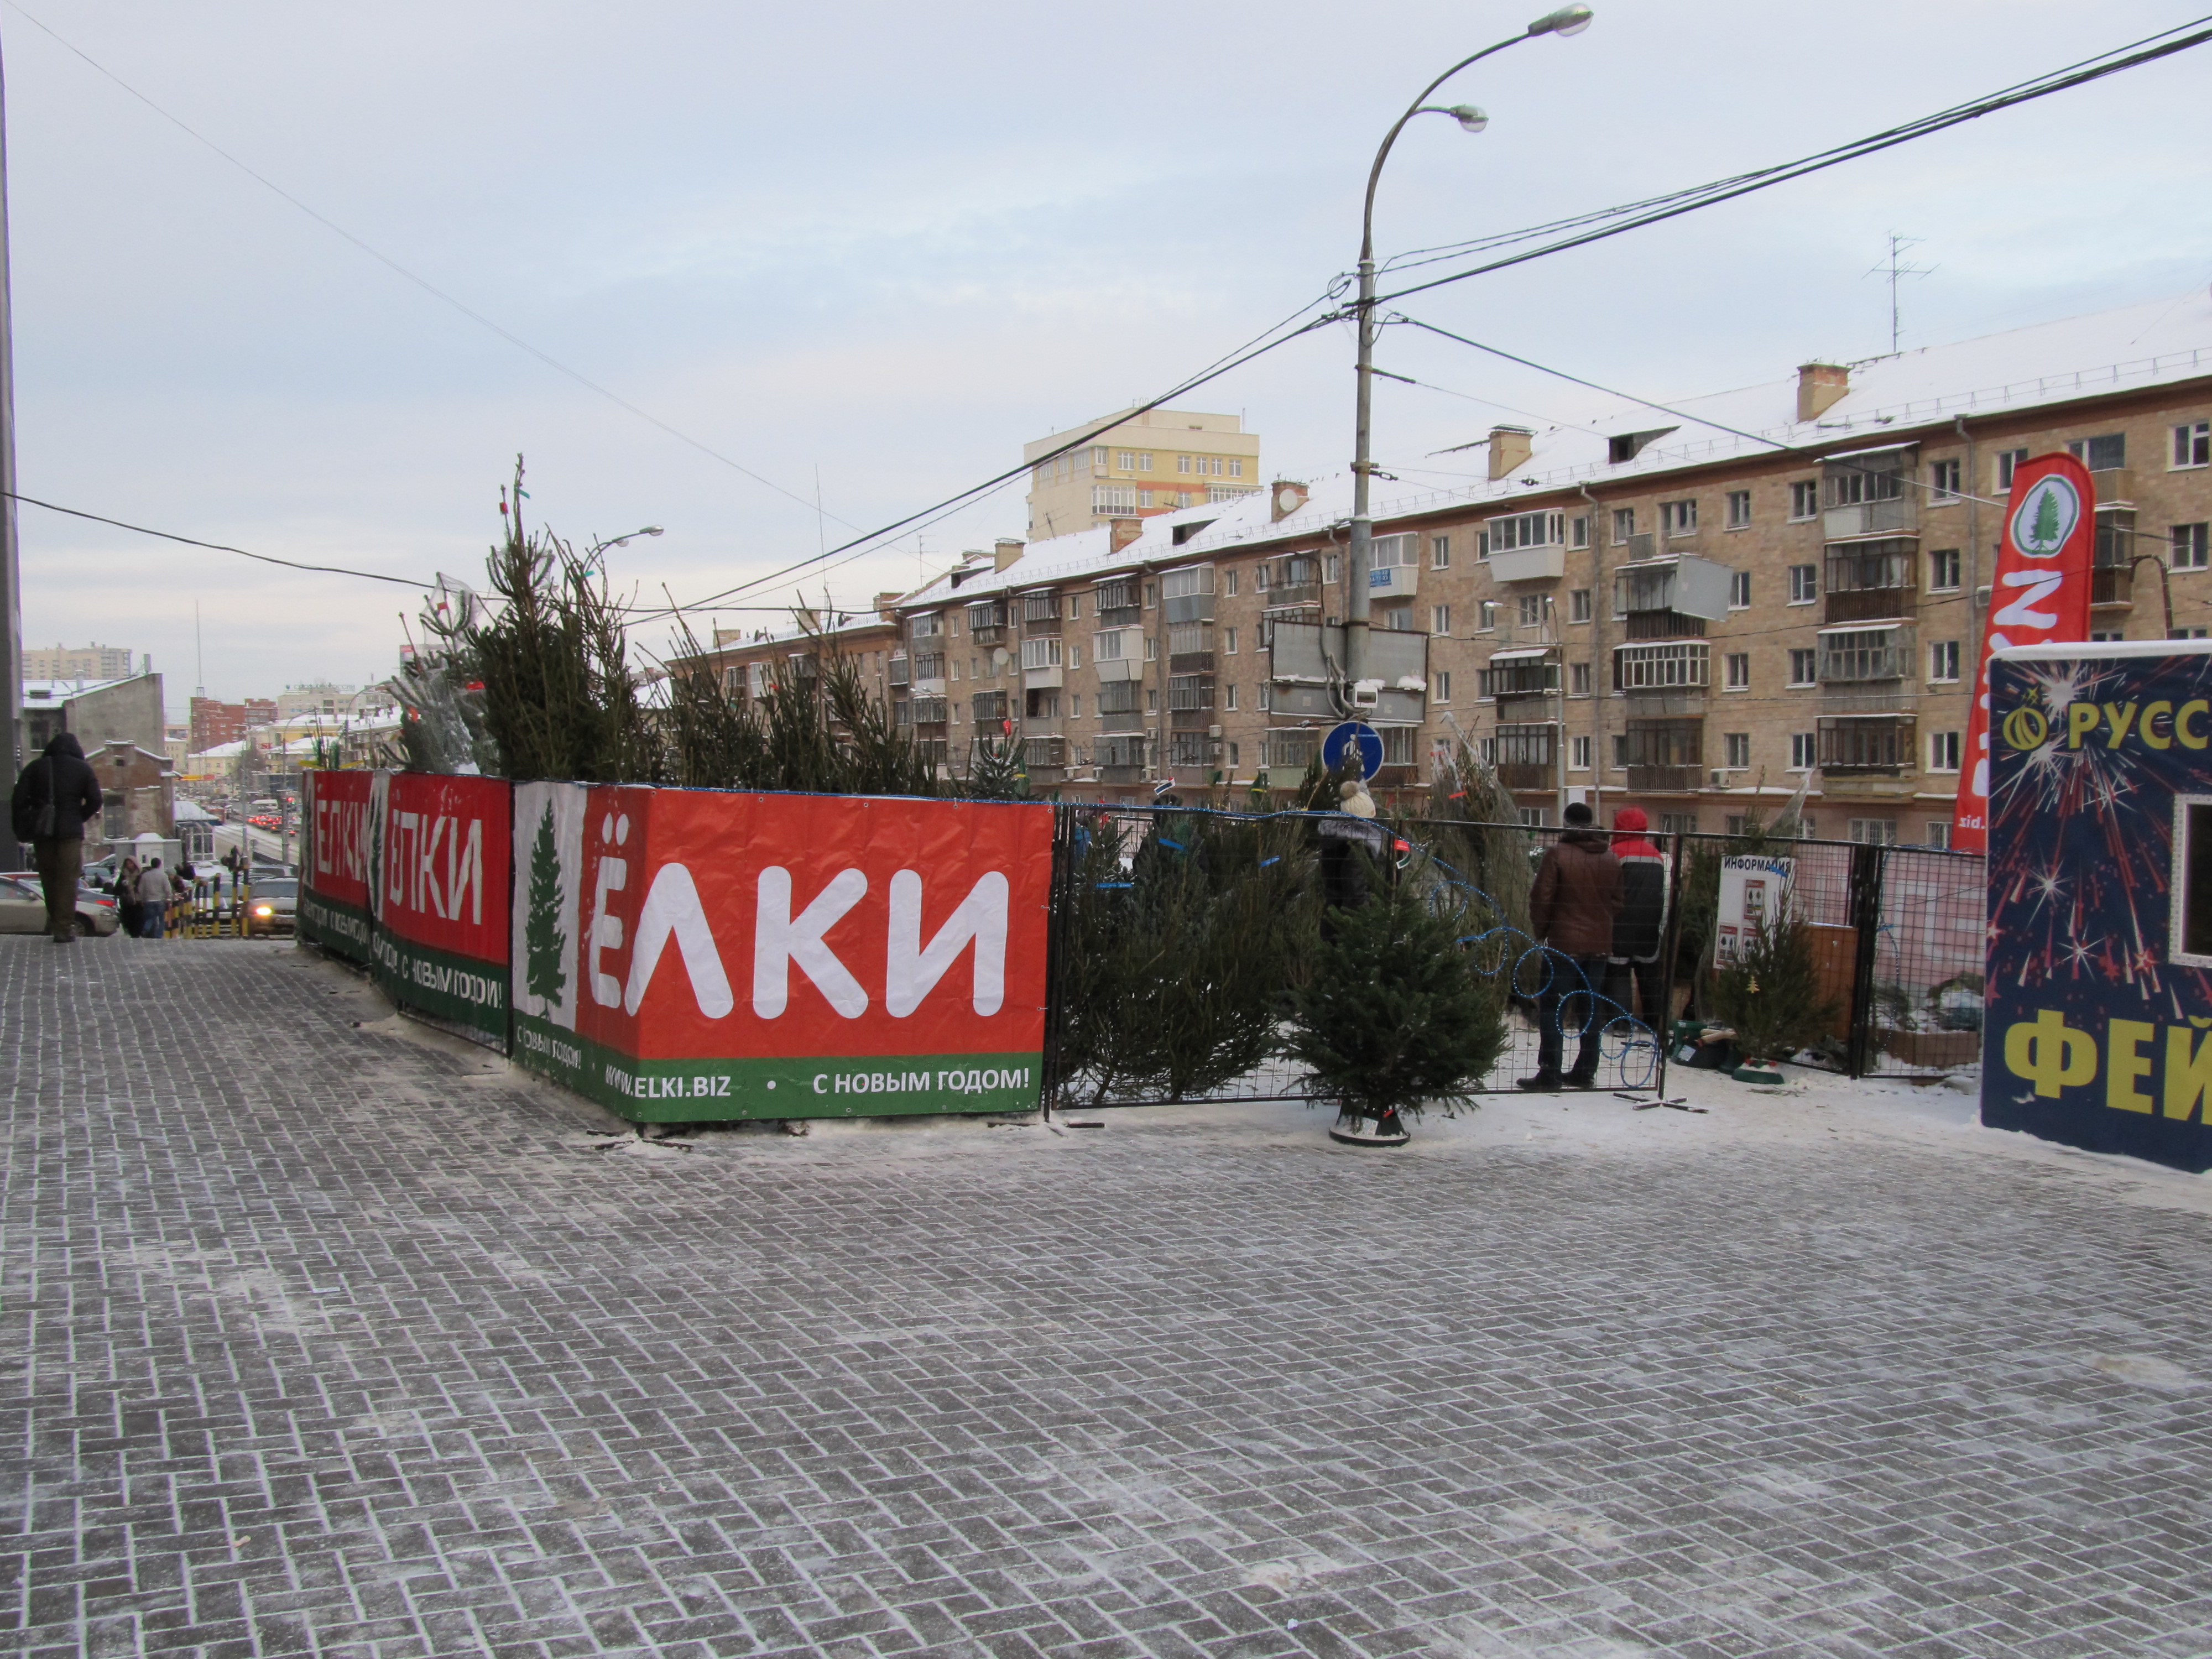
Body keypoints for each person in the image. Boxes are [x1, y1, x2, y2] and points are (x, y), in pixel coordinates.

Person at [1521, 801, 1622, 1091]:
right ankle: (1585, 1071)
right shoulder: (1611, 858)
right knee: (1590, 1008)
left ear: (1566, 823)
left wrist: (1543, 930)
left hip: (1564, 945)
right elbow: (1617, 903)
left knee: (1552, 1007)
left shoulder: (1558, 854)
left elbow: (1542, 898)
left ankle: (1550, 1072)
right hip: (1600, 946)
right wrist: (1599, 923)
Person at [9, 732, 104, 943]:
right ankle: (63, 927)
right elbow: (96, 800)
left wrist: (30, 820)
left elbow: (18, 799)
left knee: (49, 878)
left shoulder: (36, 768)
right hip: (70, 834)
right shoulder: (83, 769)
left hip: (44, 832)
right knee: (68, 880)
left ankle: (55, 922)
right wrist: (78, 817)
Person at [1606, 807, 1670, 1036]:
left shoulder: (1614, 852)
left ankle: (1622, 1024)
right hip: (1650, 924)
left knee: (1618, 972)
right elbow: (1663, 891)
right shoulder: (1656, 855)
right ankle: (1656, 1023)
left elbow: (1607, 890)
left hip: (1620, 923)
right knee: (1649, 974)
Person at [135, 857, 171, 938]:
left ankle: (146, 929)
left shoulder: (145, 876)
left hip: (149, 900)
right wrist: (169, 898)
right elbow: (167, 888)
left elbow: (140, 889)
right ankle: (159, 935)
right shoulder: (163, 875)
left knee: (150, 918)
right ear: (160, 865)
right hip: (160, 900)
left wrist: (142, 899)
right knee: (162, 919)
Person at [116, 851, 145, 940]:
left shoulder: (140, 874)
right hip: (127, 901)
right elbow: (117, 888)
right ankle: (131, 932)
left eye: (131, 863)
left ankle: (137, 933)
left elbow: (143, 886)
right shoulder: (124, 875)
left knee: (138, 919)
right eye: (127, 864)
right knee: (128, 919)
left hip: (138, 900)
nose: (129, 866)